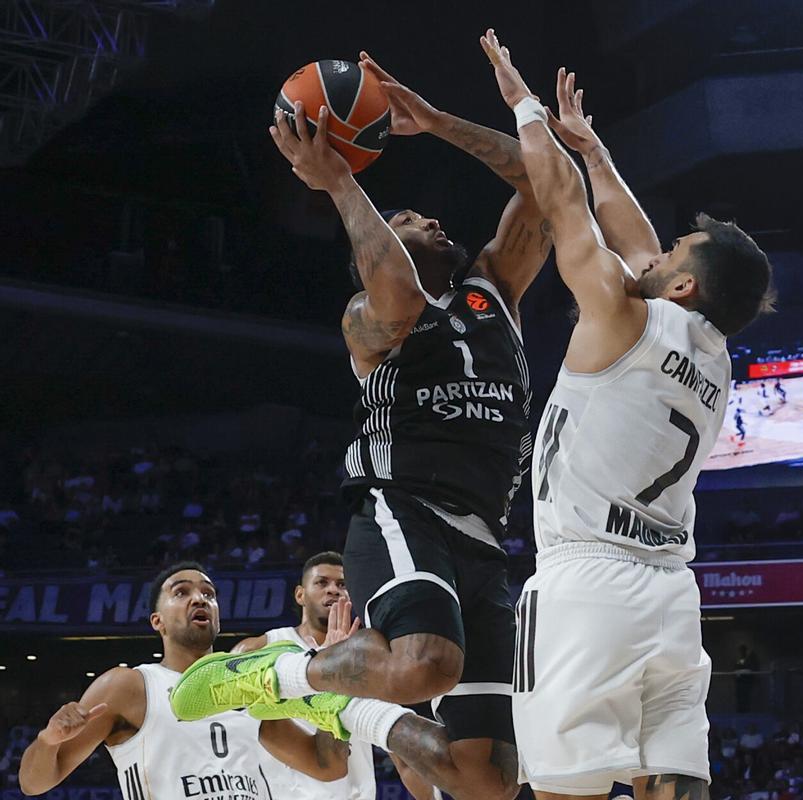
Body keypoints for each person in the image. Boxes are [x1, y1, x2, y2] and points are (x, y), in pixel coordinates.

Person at [171, 50, 556, 800]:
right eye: (408, 218)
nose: (431, 218)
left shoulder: (495, 290)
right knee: (424, 664)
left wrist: (440, 123)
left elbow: (544, 182)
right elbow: (396, 290)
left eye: (424, 214)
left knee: (486, 779)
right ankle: (271, 672)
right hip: (400, 504)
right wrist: (340, 181)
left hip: (484, 530)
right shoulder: (369, 319)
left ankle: (352, 715)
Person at [482, 30, 773, 800]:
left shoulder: (621, 313)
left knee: (559, 789)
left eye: (677, 249)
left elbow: (567, 206)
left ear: (682, 285)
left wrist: (524, 106)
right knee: (672, 780)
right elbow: (635, 238)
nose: (657, 250)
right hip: (670, 593)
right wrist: (597, 149)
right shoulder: (713, 353)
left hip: (587, 581)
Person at [18, 562, 349, 800]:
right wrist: (48, 741)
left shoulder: (250, 684)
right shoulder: (129, 686)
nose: (199, 598)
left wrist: (335, 682)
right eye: (181, 592)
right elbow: (34, 783)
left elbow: (327, 766)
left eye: (209, 593)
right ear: (157, 621)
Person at [231, 552, 376, 800]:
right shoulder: (260, 649)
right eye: (322, 583)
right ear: (300, 594)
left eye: (342, 585)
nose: (333, 590)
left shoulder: (371, 656)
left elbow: (400, 752)